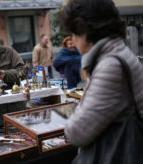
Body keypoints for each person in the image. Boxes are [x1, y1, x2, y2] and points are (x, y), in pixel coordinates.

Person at [61, 0, 143, 163]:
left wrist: (75, 114)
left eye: (74, 33)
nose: (73, 40)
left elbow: (76, 133)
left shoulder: (110, 66)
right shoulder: (116, 54)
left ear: (87, 30)